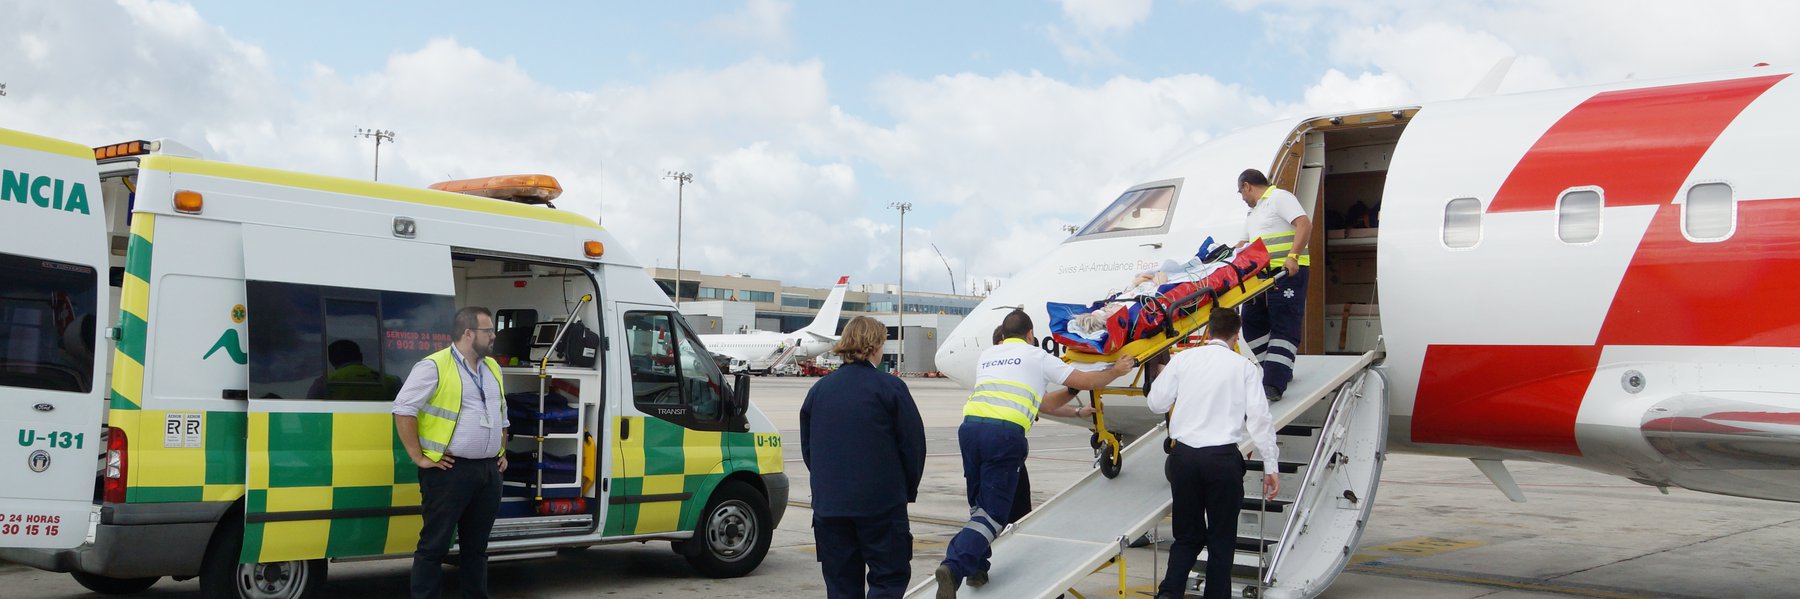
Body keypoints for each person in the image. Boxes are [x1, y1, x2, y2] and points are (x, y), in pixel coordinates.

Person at [934, 309, 1136, 597]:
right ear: (1030, 334)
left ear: (1003, 335)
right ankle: (953, 567)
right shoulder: (1036, 356)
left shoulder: (988, 357)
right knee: (993, 515)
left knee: (978, 506)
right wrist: (1116, 371)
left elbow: (1039, 401)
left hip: (969, 430)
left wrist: (1074, 405)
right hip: (1003, 436)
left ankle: (977, 567)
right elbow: (1088, 381)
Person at [1147, 308, 1280, 599]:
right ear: (1237, 335)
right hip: (1221, 461)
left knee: (1186, 536)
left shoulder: (1183, 360)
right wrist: (1271, 465)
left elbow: (1156, 403)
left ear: (1208, 331)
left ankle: (1169, 593)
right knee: (1221, 539)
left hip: (1183, 459)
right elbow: (1259, 419)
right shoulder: (1244, 367)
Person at [801, 316, 927, 599]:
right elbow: (913, 446)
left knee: (841, 586)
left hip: (830, 507)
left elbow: (809, 450)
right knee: (888, 580)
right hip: (880, 505)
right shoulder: (890, 388)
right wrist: (904, 490)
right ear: (875, 346)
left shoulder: (818, 391)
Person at [392, 307, 509, 599]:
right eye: (488, 331)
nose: (494, 336)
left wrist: (502, 451)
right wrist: (418, 457)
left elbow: (500, 414)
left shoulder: (492, 367)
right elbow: (403, 410)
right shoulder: (434, 366)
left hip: (487, 472)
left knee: (477, 549)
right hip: (449, 471)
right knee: (434, 546)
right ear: (468, 333)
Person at [1235, 168, 1313, 401]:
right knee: (1250, 324)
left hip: (1285, 271)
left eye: (1241, 192)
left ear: (1247, 186)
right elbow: (1241, 245)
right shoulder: (1252, 214)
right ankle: (1279, 368)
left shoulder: (1279, 198)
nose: (1242, 197)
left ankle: (1273, 383)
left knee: (1284, 324)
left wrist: (1293, 256)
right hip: (1258, 277)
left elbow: (1304, 224)